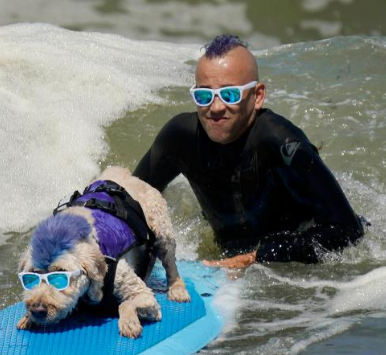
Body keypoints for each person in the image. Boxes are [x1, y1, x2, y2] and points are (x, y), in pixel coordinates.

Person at [132, 34, 364, 270]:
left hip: (291, 270)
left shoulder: (280, 142)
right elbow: (132, 194)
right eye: (204, 96)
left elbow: (348, 230)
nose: (215, 108)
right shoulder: (180, 138)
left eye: (229, 94)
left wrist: (258, 257)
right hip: (230, 256)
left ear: (258, 96)